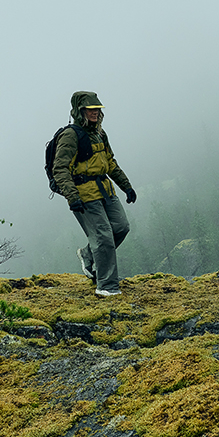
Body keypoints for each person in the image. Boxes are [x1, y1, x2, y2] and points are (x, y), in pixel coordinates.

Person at [52, 91, 137, 296]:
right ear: (80, 111)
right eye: (90, 109)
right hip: (84, 195)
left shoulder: (100, 133)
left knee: (121, 227)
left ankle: (88, 254)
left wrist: (127, 186)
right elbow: (60, 168)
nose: (95, 113)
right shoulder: (70, 135)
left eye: (97, 109)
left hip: (105, 190)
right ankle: (107, 287)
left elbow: (110, 163)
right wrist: (72, 197)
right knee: (103, 238)